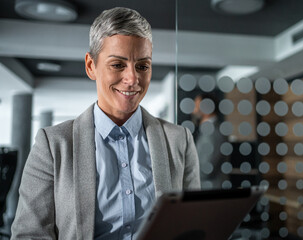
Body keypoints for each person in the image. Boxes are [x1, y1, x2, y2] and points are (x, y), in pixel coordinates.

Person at [11, 7, 200, 240]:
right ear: (91, 66)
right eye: (118, 65)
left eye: (142, 66)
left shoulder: (179, 140)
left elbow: (192, 230)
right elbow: (29, 235)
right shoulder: (52, 145)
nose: (132, 79)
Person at [192, 93, 228, 190]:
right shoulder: (207, 131)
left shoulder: (214, 132)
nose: (194, 111)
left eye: (196, 106)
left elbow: (207, 169)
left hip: (210, 193)